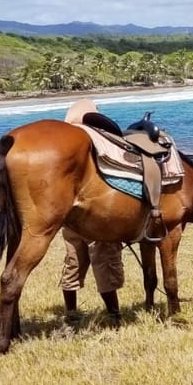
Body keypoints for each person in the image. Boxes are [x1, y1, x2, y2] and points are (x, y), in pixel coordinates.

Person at [59, 98, 125, 324]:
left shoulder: (65, 150)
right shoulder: (97, 145)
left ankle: (71, 312)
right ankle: (114, 314)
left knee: (72, 262)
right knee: (104, 260)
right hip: (95, 215)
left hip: (70, 216)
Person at [59, 227, 124, 324]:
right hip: (95, 224)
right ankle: (114, 316)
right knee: (105, 266)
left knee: (73, 265)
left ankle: (71, 314)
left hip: (71, 224)